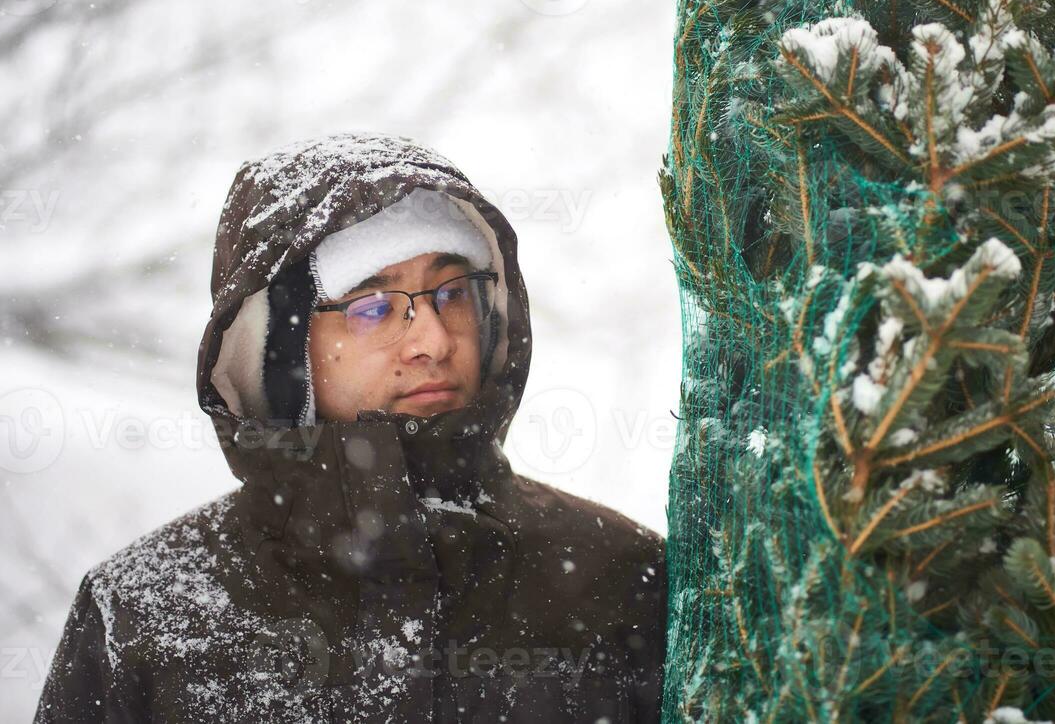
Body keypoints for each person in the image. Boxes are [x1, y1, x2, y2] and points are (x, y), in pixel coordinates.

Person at [33, 131, 667, 722]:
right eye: (373, 307)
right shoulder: (150, 614)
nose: (434, 339)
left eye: (453, 292)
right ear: (280, 352)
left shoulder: (615, 578)